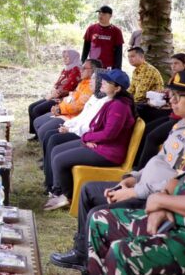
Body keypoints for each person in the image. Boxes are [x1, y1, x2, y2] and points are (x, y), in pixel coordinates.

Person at [49, 71, 185, 272]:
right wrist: (133, 178)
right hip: (140, 187)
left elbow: (181, 181)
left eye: (180, 96)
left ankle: (95, 265)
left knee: (99, 213)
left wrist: (133, 192)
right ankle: (81, 254)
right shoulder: (183, 124)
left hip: (158, 200)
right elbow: (159, 159)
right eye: (172, 94)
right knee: (89, 190)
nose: (172, 100)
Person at [86, 84, 185, 275]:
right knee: (101, 220)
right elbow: (180, 177)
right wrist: (163, 203)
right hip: (178, 220)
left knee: (122, 253)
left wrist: (161, 200)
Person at [43, 69, 136, 210]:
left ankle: (66, 196)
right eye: (103, 80)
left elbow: (109, 134)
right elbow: (100, 128)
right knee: (56, 149)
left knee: (59, 159)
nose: (102, 83)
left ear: (117, 88)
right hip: (101, 145)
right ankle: (58, 190)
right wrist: (90, 139)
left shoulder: (119, 106)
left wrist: (87, 137)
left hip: (108, 153)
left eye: (107, 82)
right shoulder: (113, 101)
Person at [35, 59, 101, 154]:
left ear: (93, 70)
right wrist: (58, 106)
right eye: (81, 67)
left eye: (84, 68)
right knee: (38, 122)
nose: (81, 70)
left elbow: (78, 106)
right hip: (65, 112)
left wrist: (60, 110)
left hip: (72, 117)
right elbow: (71, 98)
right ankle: (46, 154)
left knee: (43, 131)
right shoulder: (83, 82)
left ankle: (47, 156)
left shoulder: (91, 86)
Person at [27, 49, 82, 140]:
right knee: (31, 107)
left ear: (73, 58)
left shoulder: (76, 69)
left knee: (37, 109)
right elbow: (57, 83)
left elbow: (67, 88)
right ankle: (35, 133)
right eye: (63, 57)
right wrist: (52, 92)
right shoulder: (66, 69)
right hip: (55, 95)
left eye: (67, 57)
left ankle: (39, 135)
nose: (64, 59)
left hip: (63, 100)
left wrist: (53, 95)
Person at [81, 5, 124, 70]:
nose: (100, 16)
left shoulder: (116, 31)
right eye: (99, 13)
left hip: (108, 67)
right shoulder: (91, 29)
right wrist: (82, 62)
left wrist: (117, 68)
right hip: (92, 66)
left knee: (105, 80)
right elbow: (85, 48)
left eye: (103, 14)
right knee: (92, 80)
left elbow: (119, 52)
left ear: (110, 16)